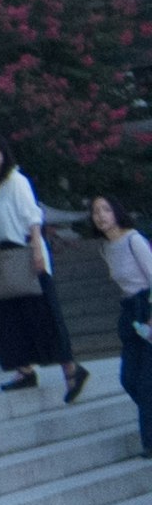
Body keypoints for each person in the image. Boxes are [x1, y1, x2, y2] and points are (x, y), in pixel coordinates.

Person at [0, 139, 85, 399]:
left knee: (44, 315)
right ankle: (24, 370)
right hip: (5, 256)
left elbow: (33, 218)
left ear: (4, 151)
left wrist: (37, 250)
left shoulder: (16, 181)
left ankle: (70, 370)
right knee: (11, 316)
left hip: (25, 253)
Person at [90, 193, 152, 460]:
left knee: (147, 381)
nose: (101, 216)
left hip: (146, 304)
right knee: (129, 378)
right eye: (95, 212)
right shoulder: (105, 248)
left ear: (116, 212)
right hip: (129, 311)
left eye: (105, 209)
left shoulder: (133, 240)